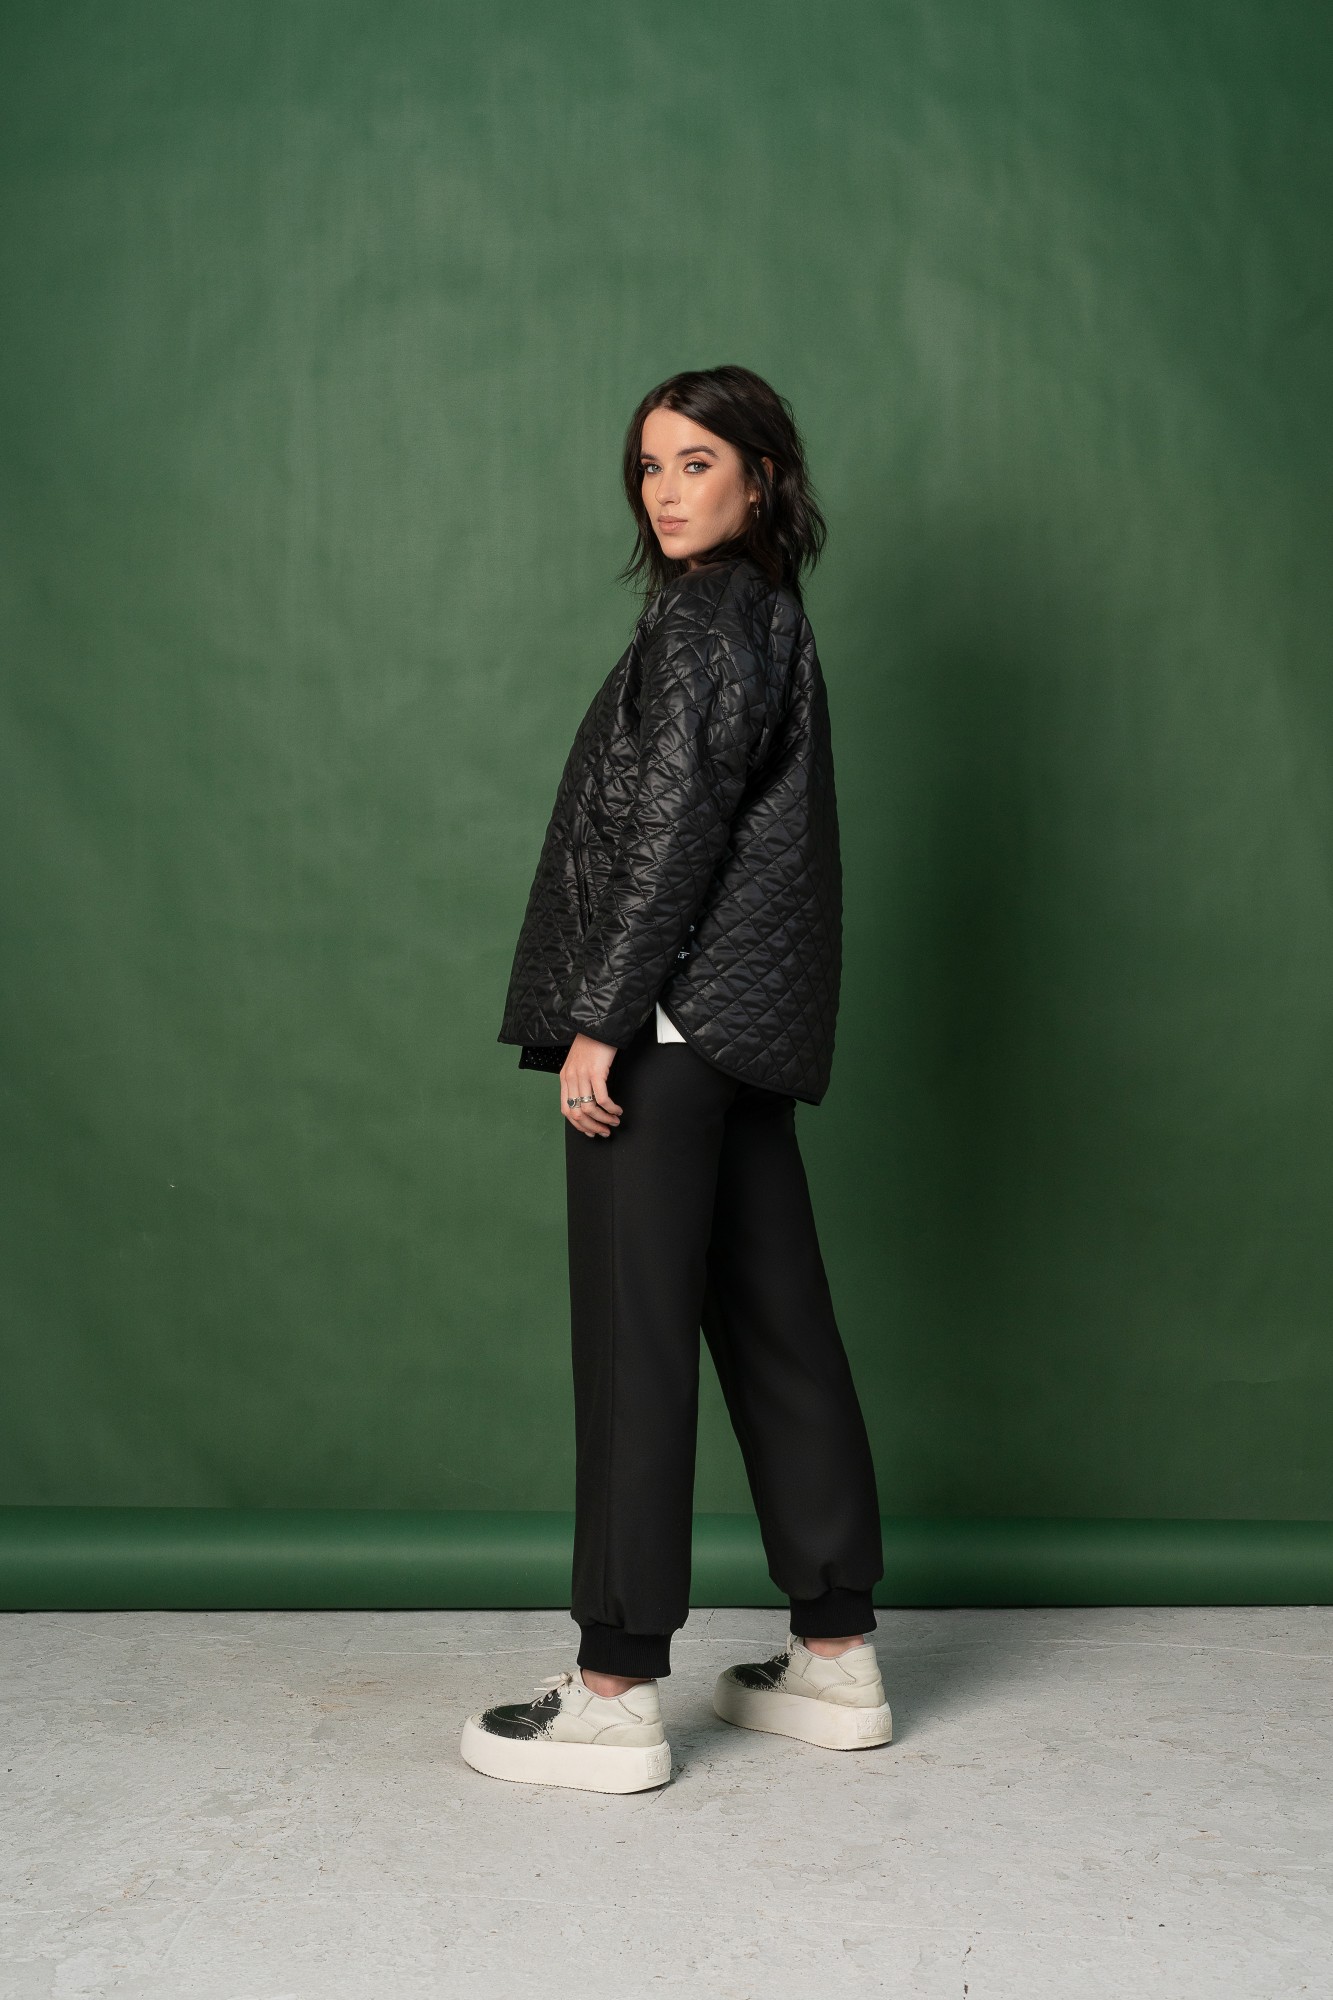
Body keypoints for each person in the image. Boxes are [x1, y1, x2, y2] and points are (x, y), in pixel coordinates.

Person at [462, 365, 889, 1794]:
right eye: (649, 466)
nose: (664, 490)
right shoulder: (767, 615)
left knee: (633, 1345)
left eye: (697, 462)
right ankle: (834, 1655)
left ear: (761, 478)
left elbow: (672, 833)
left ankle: (613, 1691)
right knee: (778, 1326)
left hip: (666, 1030)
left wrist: (604, 1019)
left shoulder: (704, 623)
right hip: (741, 1030)